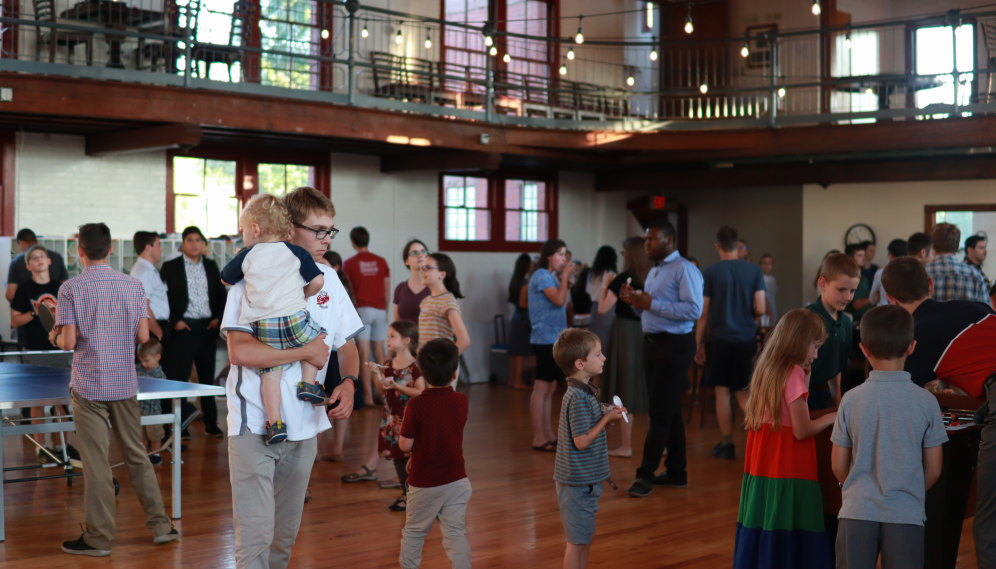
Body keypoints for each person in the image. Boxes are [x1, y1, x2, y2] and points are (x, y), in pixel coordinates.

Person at [222, 186, 361, 569]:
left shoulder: (329, 279)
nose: (327, 239)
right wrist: (304, 352)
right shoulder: (249, 275)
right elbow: (240, 352)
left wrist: (348, 383)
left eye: (331, 230)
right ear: (288, 228)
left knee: (282, 542)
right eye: (318, 230)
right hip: (255, 426)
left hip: (306, 429)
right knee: (254, 541)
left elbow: (347, 347)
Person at [51, 223, 178, 556]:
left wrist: (53, 335)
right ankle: (162, 526)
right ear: (110, 250)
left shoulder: (70, 288)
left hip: (88, 387)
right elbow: (142, 338)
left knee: (96, 464)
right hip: (123, 383)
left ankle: (99, 539)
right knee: (137, 456)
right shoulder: (133, 285)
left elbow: (68, 341)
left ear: (79, 251)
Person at [881, 257, 996, 569]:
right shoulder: (976, 307)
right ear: (929, 286)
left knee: (988, 527)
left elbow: (896, 392)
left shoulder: (916, 335)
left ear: (890, 301)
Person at [830, 305, 947, 569]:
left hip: (856, 510)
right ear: (911, 346)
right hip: (906, 513)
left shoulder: (850, 400)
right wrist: (907, 492)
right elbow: (935, 468)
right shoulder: (927, 402)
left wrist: (858, 489)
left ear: (864, 349)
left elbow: (838, 465)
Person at [733, 309, 835, 569]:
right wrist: (832, 417)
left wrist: (807, 376)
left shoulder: (768, 368)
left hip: (763, 467)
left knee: (766, 522)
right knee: (792, 527)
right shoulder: (793, 373)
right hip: (789, 465)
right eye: (814, 347)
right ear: (799, 342)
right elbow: (801, 430)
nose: (815, 354)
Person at [220, 194, 327, 445]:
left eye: (244, 230)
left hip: (263, 329)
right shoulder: (296, 252)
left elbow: (226, 278)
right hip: (294, 321)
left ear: (255, 229)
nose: (244, 234)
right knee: (317, 337)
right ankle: (308, 385)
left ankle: (275, 422)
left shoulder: (248, 254)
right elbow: (319, 281)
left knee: (270, 376)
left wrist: (243, 258)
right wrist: (303, 294)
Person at [622, 219, 703, 497]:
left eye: (652, 239)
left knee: (658, 412)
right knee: (668, 409)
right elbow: (650, 311)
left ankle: (644, 476)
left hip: (675, 345)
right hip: (653, 344)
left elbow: (693, 309)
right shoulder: (655, 271)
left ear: (669, 240)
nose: (646, 244)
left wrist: (651, 303)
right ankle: (677, 471)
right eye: (646, 239)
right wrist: (634, 301)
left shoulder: (685, 269)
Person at [552, 328, 625, 569]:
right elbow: (581, 441)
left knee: (585, 538)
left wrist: (606, 411)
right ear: (580, 363)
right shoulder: (577, 397)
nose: (604, 358)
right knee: (577, 541)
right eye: (598, 354)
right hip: (576, 483)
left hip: (583, 480)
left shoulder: (584, 392)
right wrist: (607, 420)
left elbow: (587, 417)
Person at [398, 338, 471, 569]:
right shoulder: (461, 401)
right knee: (455, 533)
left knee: (414, 533)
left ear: (422, 373)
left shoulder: (416, 405)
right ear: (454, 373)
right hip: (457, 480)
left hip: (425, 484)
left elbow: (405, 446)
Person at [695, 226, 766, 461]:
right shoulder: (754, 271)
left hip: (719, 340)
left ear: (718, 246)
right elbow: (762, 308)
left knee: (722, 393)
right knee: (744, 394)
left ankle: (727, 445)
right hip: (746, 339)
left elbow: (703, 312)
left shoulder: (711, 272)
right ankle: (763, 442)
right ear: (738, 246)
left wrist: (698, 343)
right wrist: (748, 315)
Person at [159, 226, 228, 439]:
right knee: (181, 379)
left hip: (207, 328)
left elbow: (220, 293)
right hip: (183, 329)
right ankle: (181, 426)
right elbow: (161, 297)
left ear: (203, 243)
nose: (194, 244)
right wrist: (176, 321)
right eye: (190, 240)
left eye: (198, 240)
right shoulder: (171, 266)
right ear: (183, 243)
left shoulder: (210, 265)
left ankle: (211, 424)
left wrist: (218, 318)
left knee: (206, 379)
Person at [11, 245, 71, 462]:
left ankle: (62, 446)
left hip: (60, 350)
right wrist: (37, 311)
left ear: (49, 261)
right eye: (34, 258)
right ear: (29, 266)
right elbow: (14, 320)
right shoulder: (23, 290)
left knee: (62, 402)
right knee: (37, 403)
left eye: (42, 256)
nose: (39, 260)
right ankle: (41, 447)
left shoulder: (62, 288)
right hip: (34, 351)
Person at [598, 236, 651, 458]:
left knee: (625, 386)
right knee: (646, 387)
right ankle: (663, 445)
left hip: (625, 333)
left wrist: (605, 284)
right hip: (647, 331)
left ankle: (626, 445)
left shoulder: (620, 279)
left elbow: (602, 308)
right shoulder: (651, 277)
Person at [368, 321, 423, 511]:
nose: (388, 339)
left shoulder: (416, 366)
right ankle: (406, 492)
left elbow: (421, 392)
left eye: (393, 336)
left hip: (410, 419)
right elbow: (383, 391)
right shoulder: (388, 364)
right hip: (393, 418)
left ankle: (413, 493)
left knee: (412, 458)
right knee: (399, 457)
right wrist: (377, 374)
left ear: (407, 340)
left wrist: (397, 386)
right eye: (388, 335)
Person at [528, 239, 573, 452]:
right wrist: (564, 277)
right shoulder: (541, 276)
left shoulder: (550, 276)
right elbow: (558, 300)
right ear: (549, 256)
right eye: (561, 255)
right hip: (545, 338)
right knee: (542, 386)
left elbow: (562, 300)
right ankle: (539, 437)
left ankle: (548, 434)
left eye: (565, 255)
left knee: (550, 387)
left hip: (553, 339)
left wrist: (564, 280)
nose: (564, 259)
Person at [343, 226, 390, 406]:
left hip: (361, 310)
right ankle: (385, 395)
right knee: (380, 353)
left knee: (364, 354)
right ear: (368, 240)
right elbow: (387, 290)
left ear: (353, 242)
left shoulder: (349, 263)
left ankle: (369, 398)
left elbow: (347, 291)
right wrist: (385, 311)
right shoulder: (381, 261)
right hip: (380, 309)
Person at [805, 253, 859, 411]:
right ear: (822, 284)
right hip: (801, 394)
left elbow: (838, 366)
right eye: (841, 289)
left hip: (824, 394)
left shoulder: (846, 323)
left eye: (852, 291)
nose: (848, 297)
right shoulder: (805, 318)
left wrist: (837, 399)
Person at [418, 253, 470, 355]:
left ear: (442, 274)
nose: (422, 271)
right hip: (427, 364)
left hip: (440, 368)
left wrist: (445, 363)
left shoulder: (447, 302)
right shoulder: (425, 301)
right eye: (422, 268)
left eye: (428, 268)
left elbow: (464, 341)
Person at [926, 222, 990, 303]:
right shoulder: (975, 275)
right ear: (957, 247)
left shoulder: (921, 274)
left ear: (933, 246)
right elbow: (988, 313)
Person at [130, 231, 168, 361]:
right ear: (148, 247)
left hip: (151, 327)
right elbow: (143, 306)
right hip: (152, 328)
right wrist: (159, 334)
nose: (161, 249)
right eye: (158, 245)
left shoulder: (143, 268)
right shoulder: (145, 272)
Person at [6, 227, 69, 303]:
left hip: (27, 309)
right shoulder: (57, 257)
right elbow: (66, 288)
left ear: (21, 243)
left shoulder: (16, 261)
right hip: (55, 308)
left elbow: (11, 295)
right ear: (36, 241)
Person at [136, 337, 168, 466]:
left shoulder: (160, 375)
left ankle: (156, 455)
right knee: (142, 435)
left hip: (153, 411)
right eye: (141, 361)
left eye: (147, 361)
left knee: (155, 435)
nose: (144, 364)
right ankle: (144, 455)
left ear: (158, 357)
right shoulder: (139, 370)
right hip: (139, 410)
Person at [586, 246, 618, 354]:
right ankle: (605, 368)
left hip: (594, 307)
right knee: (606, 338)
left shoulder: (592, 274)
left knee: (595, 338)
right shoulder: (611, 274)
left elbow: (588, 291)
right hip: (608, 307)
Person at [394, 240, 431, 323]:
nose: (420, 255)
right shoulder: (400, 288)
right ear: (406, 261)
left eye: (423, 252)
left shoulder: (436, 286)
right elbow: (396, 324)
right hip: (406, 336)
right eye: (414, 253)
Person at [507, 253, 534, 360]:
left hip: (517, 317)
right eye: (530, 264)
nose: (532, 266)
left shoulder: (515, 280)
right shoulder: (525, 283)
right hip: (523, 319)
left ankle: (514, 377)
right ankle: (517, 377)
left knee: (516, 351)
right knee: (520, 351)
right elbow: (523, 303)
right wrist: (537, 304)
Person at [869, 239, 907, 306]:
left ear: (891, 255)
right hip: (902, 312)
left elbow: (872, 299)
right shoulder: (910, 272)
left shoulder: (881, 273)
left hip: (883, 311)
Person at [844, 243, 872, 320]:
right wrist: (872, 299)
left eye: (864, 255)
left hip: (865, 318)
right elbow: (855, 305)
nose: (864, 258)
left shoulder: (864, 278)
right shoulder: (847, 278)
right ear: (850, 258)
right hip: (852, 320)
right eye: (860, 256)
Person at [760, 254, 778, 323]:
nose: (767, 266)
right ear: (761, 264)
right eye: (764, 263)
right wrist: (769, 311)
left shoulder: (772, 279)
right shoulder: (760, 278)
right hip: (765, 308)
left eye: (769, 263)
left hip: (772, 305)